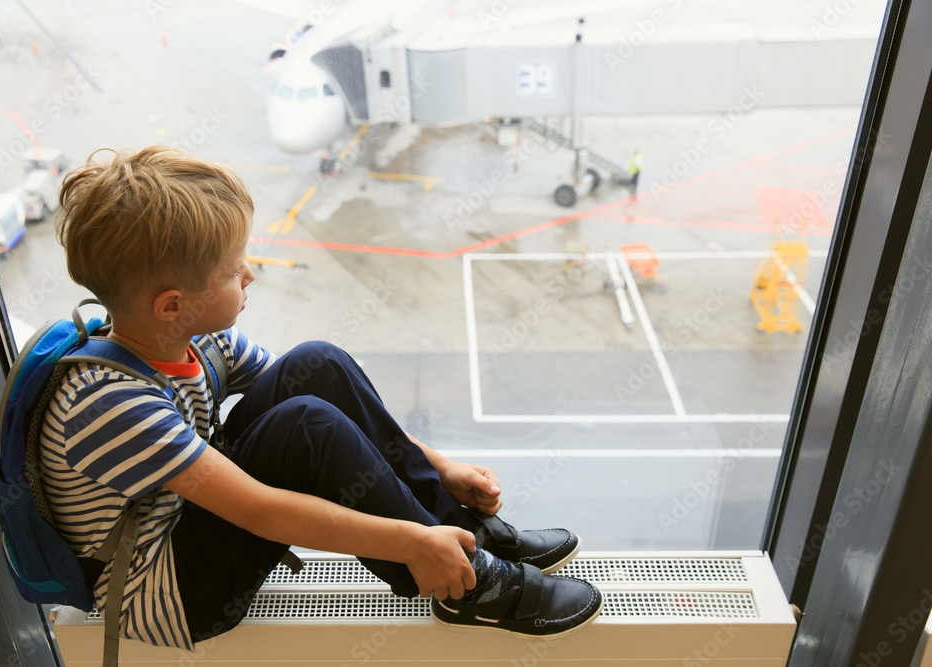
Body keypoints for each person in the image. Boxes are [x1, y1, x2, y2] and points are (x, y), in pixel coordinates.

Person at [43, 145, 603, 651]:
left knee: (318, 365)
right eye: (234, 270)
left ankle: (456, 526)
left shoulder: (194, 337)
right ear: (172, 304)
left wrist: (440, 466)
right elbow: (260, 510)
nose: (251, 275)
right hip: (172, 591)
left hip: (185, 520)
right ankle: (462, 582)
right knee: (304, 426)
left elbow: (324, 394)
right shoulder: (107, 408)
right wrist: (410, 543)